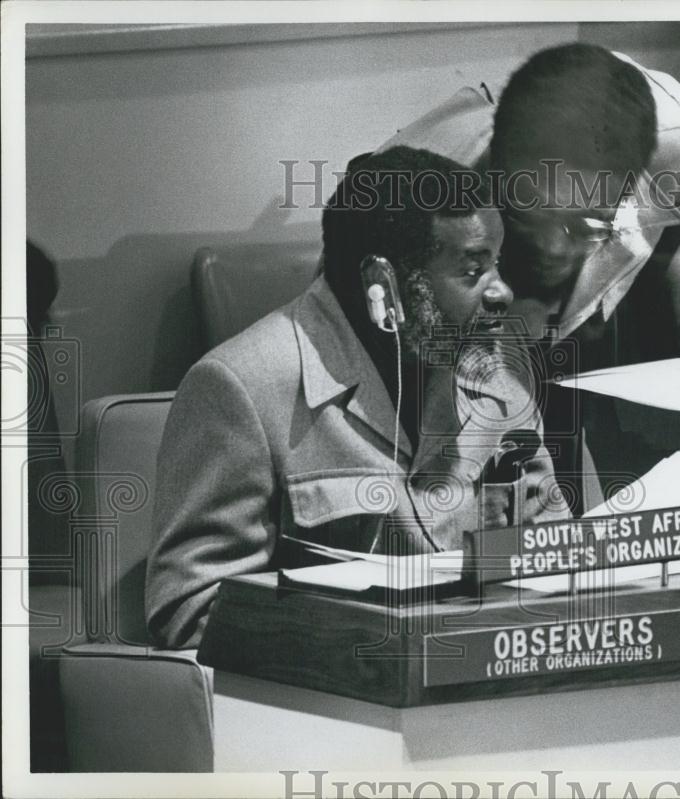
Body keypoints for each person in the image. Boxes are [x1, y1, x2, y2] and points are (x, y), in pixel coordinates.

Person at [146, 146, 573, 649]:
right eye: (472, 270)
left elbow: (554, 553)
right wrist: (375, 647)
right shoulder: (241, 385)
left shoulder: (494, 369)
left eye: (497, 264)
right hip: (335, 704)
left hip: (487, 677)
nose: (501, 291)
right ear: (383, 284)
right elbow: (192, 611)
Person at [380, 43, 680, 500]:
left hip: (561, 363)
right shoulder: (419, 195)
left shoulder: (667, 132)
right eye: (533, 218)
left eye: (585, 223)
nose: (557, 248)